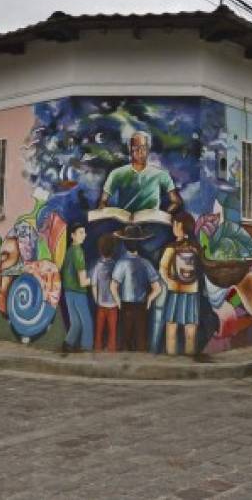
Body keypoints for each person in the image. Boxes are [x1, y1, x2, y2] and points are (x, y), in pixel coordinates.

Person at [99, 131, 183, 214]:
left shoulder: (161, 174)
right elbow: (103, 201)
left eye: (143, 148)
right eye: (135, 148)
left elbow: (176, 201)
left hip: (151, 220)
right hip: (124, 221)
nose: (139, 152)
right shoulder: (117, 173)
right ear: (130, 149)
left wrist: (164, 215)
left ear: (148, 149)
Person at [109, 225, 162, 351]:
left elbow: (113, 286)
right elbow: (157, 288)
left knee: (125, 339)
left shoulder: (121, 263)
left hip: (126, 305)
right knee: (141, 339)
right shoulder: (146, 263)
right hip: (141, 306)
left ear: (125, 243)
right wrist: (149, 299)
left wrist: (118, 303)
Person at [159, 213, 203, 356]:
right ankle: (189, 357)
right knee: (190, 329)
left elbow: (163, 269)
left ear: (179, 226)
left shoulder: (171, 247)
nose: (173, 227)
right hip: (192, 292)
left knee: (171, 327)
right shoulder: (196, 248)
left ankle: (171, 357)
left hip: (175, 292)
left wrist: (169, 282)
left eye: (175, 224)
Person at [60, 224, 93, 353]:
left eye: (84, 232)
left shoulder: (68, 251)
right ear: (72, 235)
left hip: (68, 292)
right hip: (79, 292)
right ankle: (86, 348)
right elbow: (83, 281)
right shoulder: (78, 252)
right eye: (80, 232)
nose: (84, 235)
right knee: (87, 322)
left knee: (76, 323)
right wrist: (96, 279)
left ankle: (68, 344)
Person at [91, 233, 120, 352]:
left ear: (100, 250)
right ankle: (111, 348)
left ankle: (98, 347)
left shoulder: (97, 266)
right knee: (112, 330)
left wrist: (96, 299)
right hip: (113, 304)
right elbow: (118, 284)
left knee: (99, 329)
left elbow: (93, 284)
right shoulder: (115, 265)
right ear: (113, 250)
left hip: (101, 303)